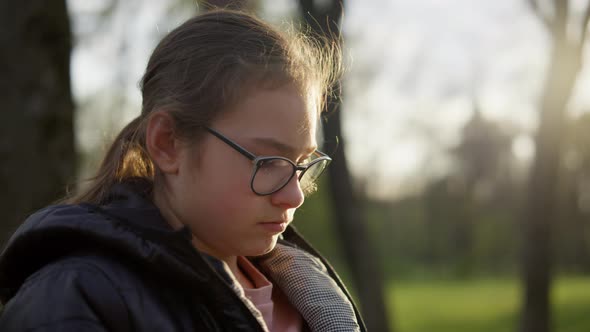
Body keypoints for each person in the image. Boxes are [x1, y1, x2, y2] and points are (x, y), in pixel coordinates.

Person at [0, 8, 365, 332]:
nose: (294, 194)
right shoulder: (73, 300)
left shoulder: (310, 296)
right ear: (168, 143)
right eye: (268, 162)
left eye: (302, 164)